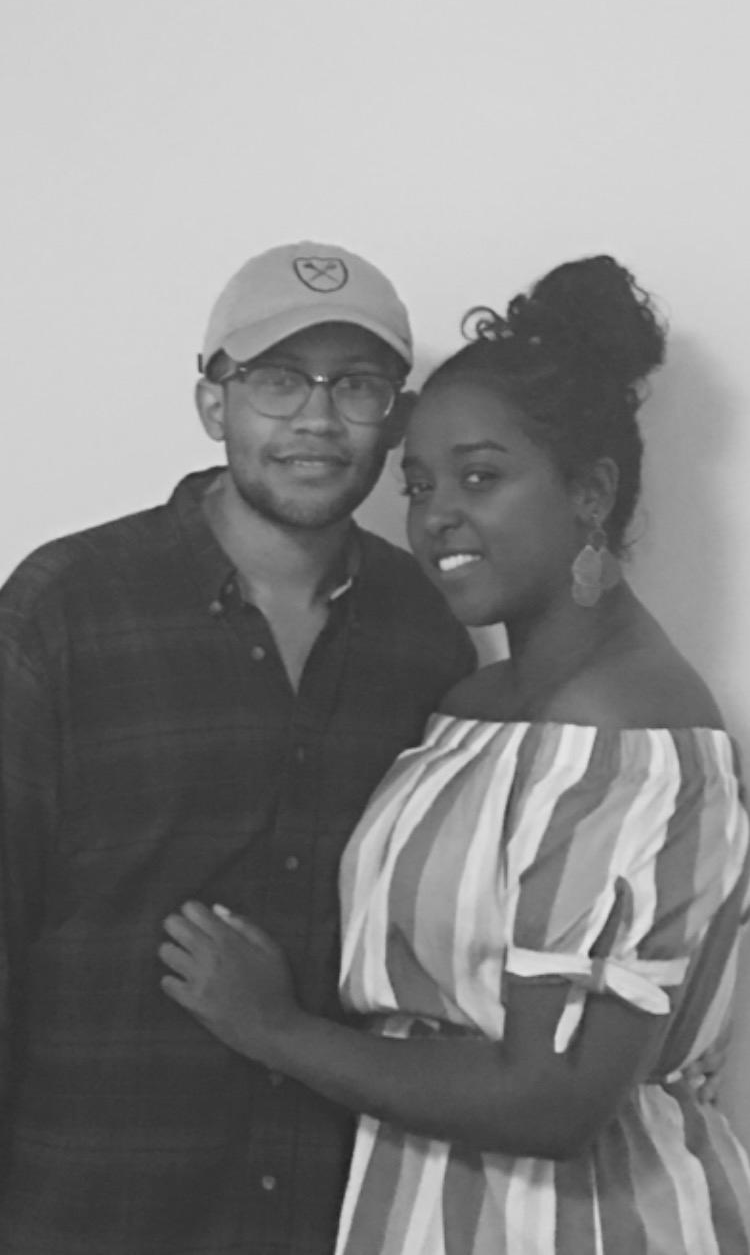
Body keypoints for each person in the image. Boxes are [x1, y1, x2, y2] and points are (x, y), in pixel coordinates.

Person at [160, 254, 750, 1254]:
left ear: (592, 491)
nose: (436, 516)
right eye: (420, 483)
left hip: (577, 1226)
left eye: (482, 477)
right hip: (426, 1212)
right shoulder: (473, 703)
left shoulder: (629, 730)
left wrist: (275, 1029)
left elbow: (553, 1098)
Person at [0, 240, 476, 1255]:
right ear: (213, 402)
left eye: (356, 383)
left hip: (331, 1210)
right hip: (87, 1208)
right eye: (277, 378)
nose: (317, 417)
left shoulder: (427, 629)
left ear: (395, 417)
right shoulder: (67, 605)